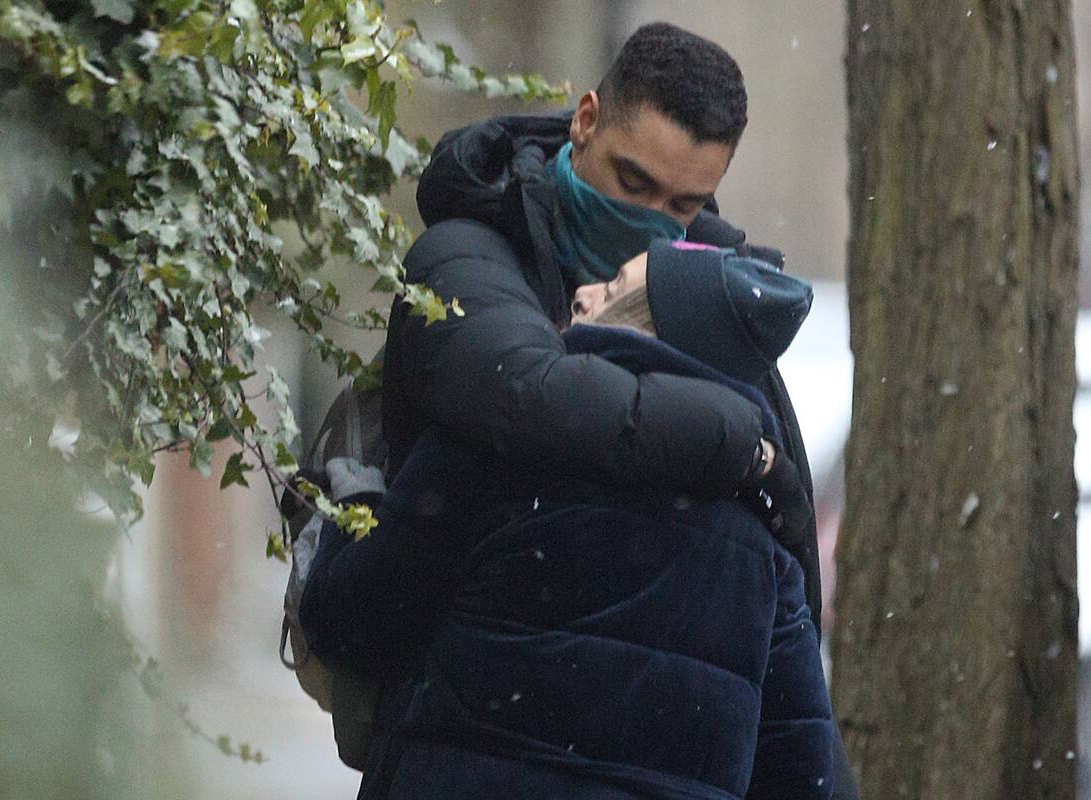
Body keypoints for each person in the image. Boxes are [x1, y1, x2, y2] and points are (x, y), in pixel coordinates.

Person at [379, 21, 860, 798]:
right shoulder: (469, 253)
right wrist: (741, 443)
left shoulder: (713, 310)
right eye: (632, 183)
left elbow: (786, 610)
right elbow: (525, 393)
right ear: (585, 119)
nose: (648, 219)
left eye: (682, 204)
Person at [301, 241, 833, 799]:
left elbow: (352, 625)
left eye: (614, 286)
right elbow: (802, 775)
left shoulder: (491, 453)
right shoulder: (763, 552)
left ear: (652, 329)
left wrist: (354, 506)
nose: (584, 292)